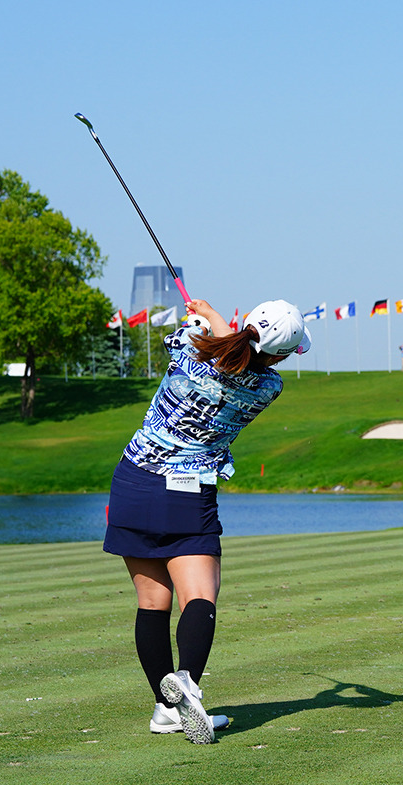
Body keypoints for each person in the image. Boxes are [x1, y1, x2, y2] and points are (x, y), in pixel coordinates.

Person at [104, 297, 310, 744]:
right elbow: (240, 360)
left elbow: (191, 341)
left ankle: (165, 710)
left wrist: (210, 321)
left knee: (151, 603)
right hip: (187, 493)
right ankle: (188, 685)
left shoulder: (189, 348)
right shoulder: (268, 387)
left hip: (133, 483)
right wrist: (215, 323)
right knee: (199, 595)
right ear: (281, 355)